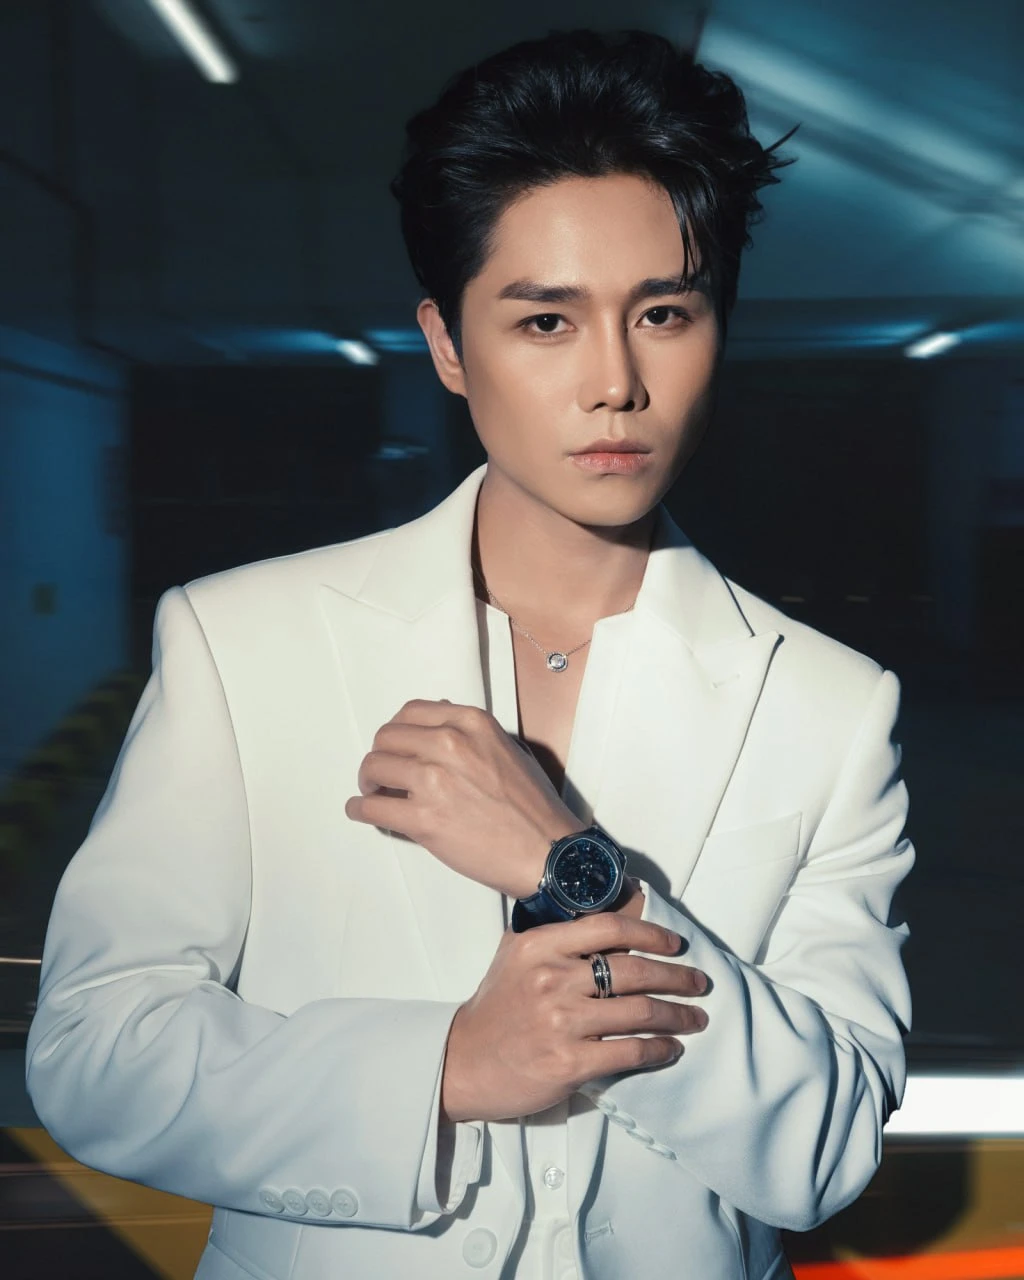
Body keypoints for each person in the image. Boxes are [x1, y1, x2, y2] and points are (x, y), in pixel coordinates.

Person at [26, 28, 914, 1280]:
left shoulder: (829, 704)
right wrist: (444, 1065)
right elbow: (93, 1053)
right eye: (546, 319)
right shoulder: (242, 640)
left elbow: (822, 1148)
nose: (615, 382)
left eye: (664, 312)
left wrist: (573, 875)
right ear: (448, 345)